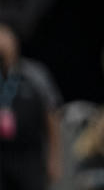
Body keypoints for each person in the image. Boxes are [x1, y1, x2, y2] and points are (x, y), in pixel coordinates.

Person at [0, 22, 63, 190]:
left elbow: (52, 115)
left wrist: (54, 158)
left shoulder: (35, 74)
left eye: (5, 36)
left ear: (15, 41)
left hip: (30, 157)